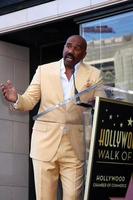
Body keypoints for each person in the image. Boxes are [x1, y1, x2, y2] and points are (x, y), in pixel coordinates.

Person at [1, 35, 104, 200]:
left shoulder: (94, 74)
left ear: (84, 54)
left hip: (75, 147)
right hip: (44, 144)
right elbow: (29, 101)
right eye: (68, 46)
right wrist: (16, 98)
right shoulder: (44, 70)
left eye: (77, 48)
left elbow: (102, 105)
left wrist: (95, 104)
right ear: (64, 48)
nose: (71, 50)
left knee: (73, 196)